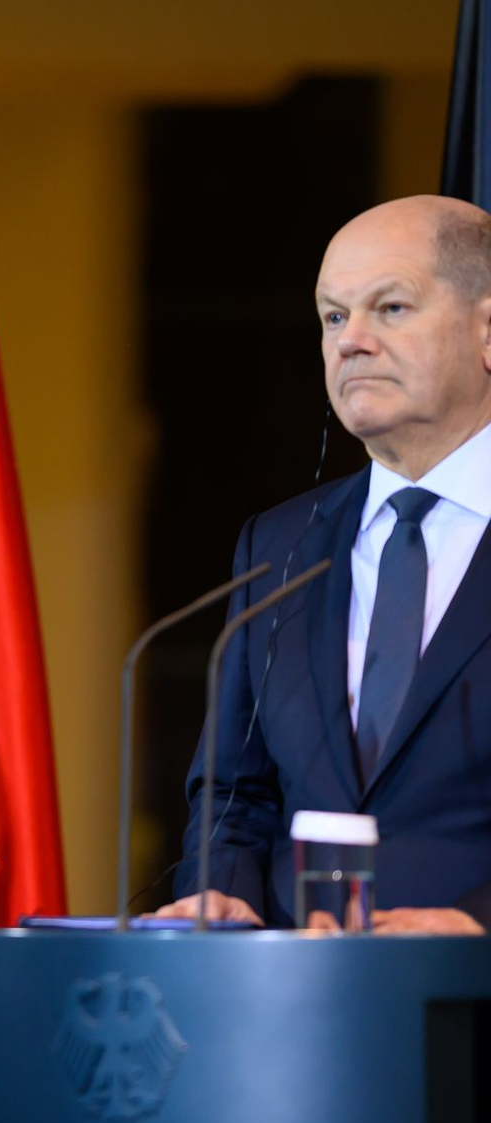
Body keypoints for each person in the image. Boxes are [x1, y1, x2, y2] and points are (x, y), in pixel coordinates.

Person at [158, 194, 491, 936]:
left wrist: (474, 923)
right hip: (300, 1011)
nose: (351, 341)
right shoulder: (278, 548)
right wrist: (224, 892)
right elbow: (233, 794)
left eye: (391, 307)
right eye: (334, 316)